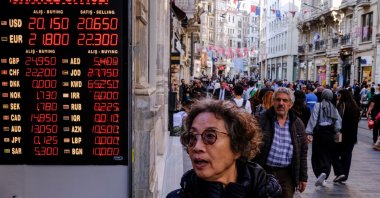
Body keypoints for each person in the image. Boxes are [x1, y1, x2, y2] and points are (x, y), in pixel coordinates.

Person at [167, 99, 282, 198]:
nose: (197, 147)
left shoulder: (268, 193)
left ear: (238, 146)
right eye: (192, 137)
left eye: (210, 136)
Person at [253, 87, 308, 198]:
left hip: (286, 175)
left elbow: (302, 152)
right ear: (273, 102)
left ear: (290, 104)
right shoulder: (261, 120)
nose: (281, 103)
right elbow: (250, 146)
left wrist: (303, 177)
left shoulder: (298, 124)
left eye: (285, 100)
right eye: (278, 100)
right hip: (263, 172)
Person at [305, 89, 342, 187]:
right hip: (330, 133)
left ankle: (319, 173)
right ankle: (324, 174)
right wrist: (337, 131)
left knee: (317, 154)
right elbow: (338, 122)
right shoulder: (333, 107)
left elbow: (313, 118)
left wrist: (309, 132)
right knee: (328, 155)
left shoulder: (318, 105)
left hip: (319, 133)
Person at [332, 89, 360, 183]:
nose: (337, 97)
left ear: (343, 96)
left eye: (339, 95)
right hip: (352, 135)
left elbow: (338, 119)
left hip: (342, 134)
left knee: (334, 153)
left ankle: (340, 172)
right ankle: (344, 175)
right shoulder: (355, 106)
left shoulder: (341, 105)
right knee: (347, 155)